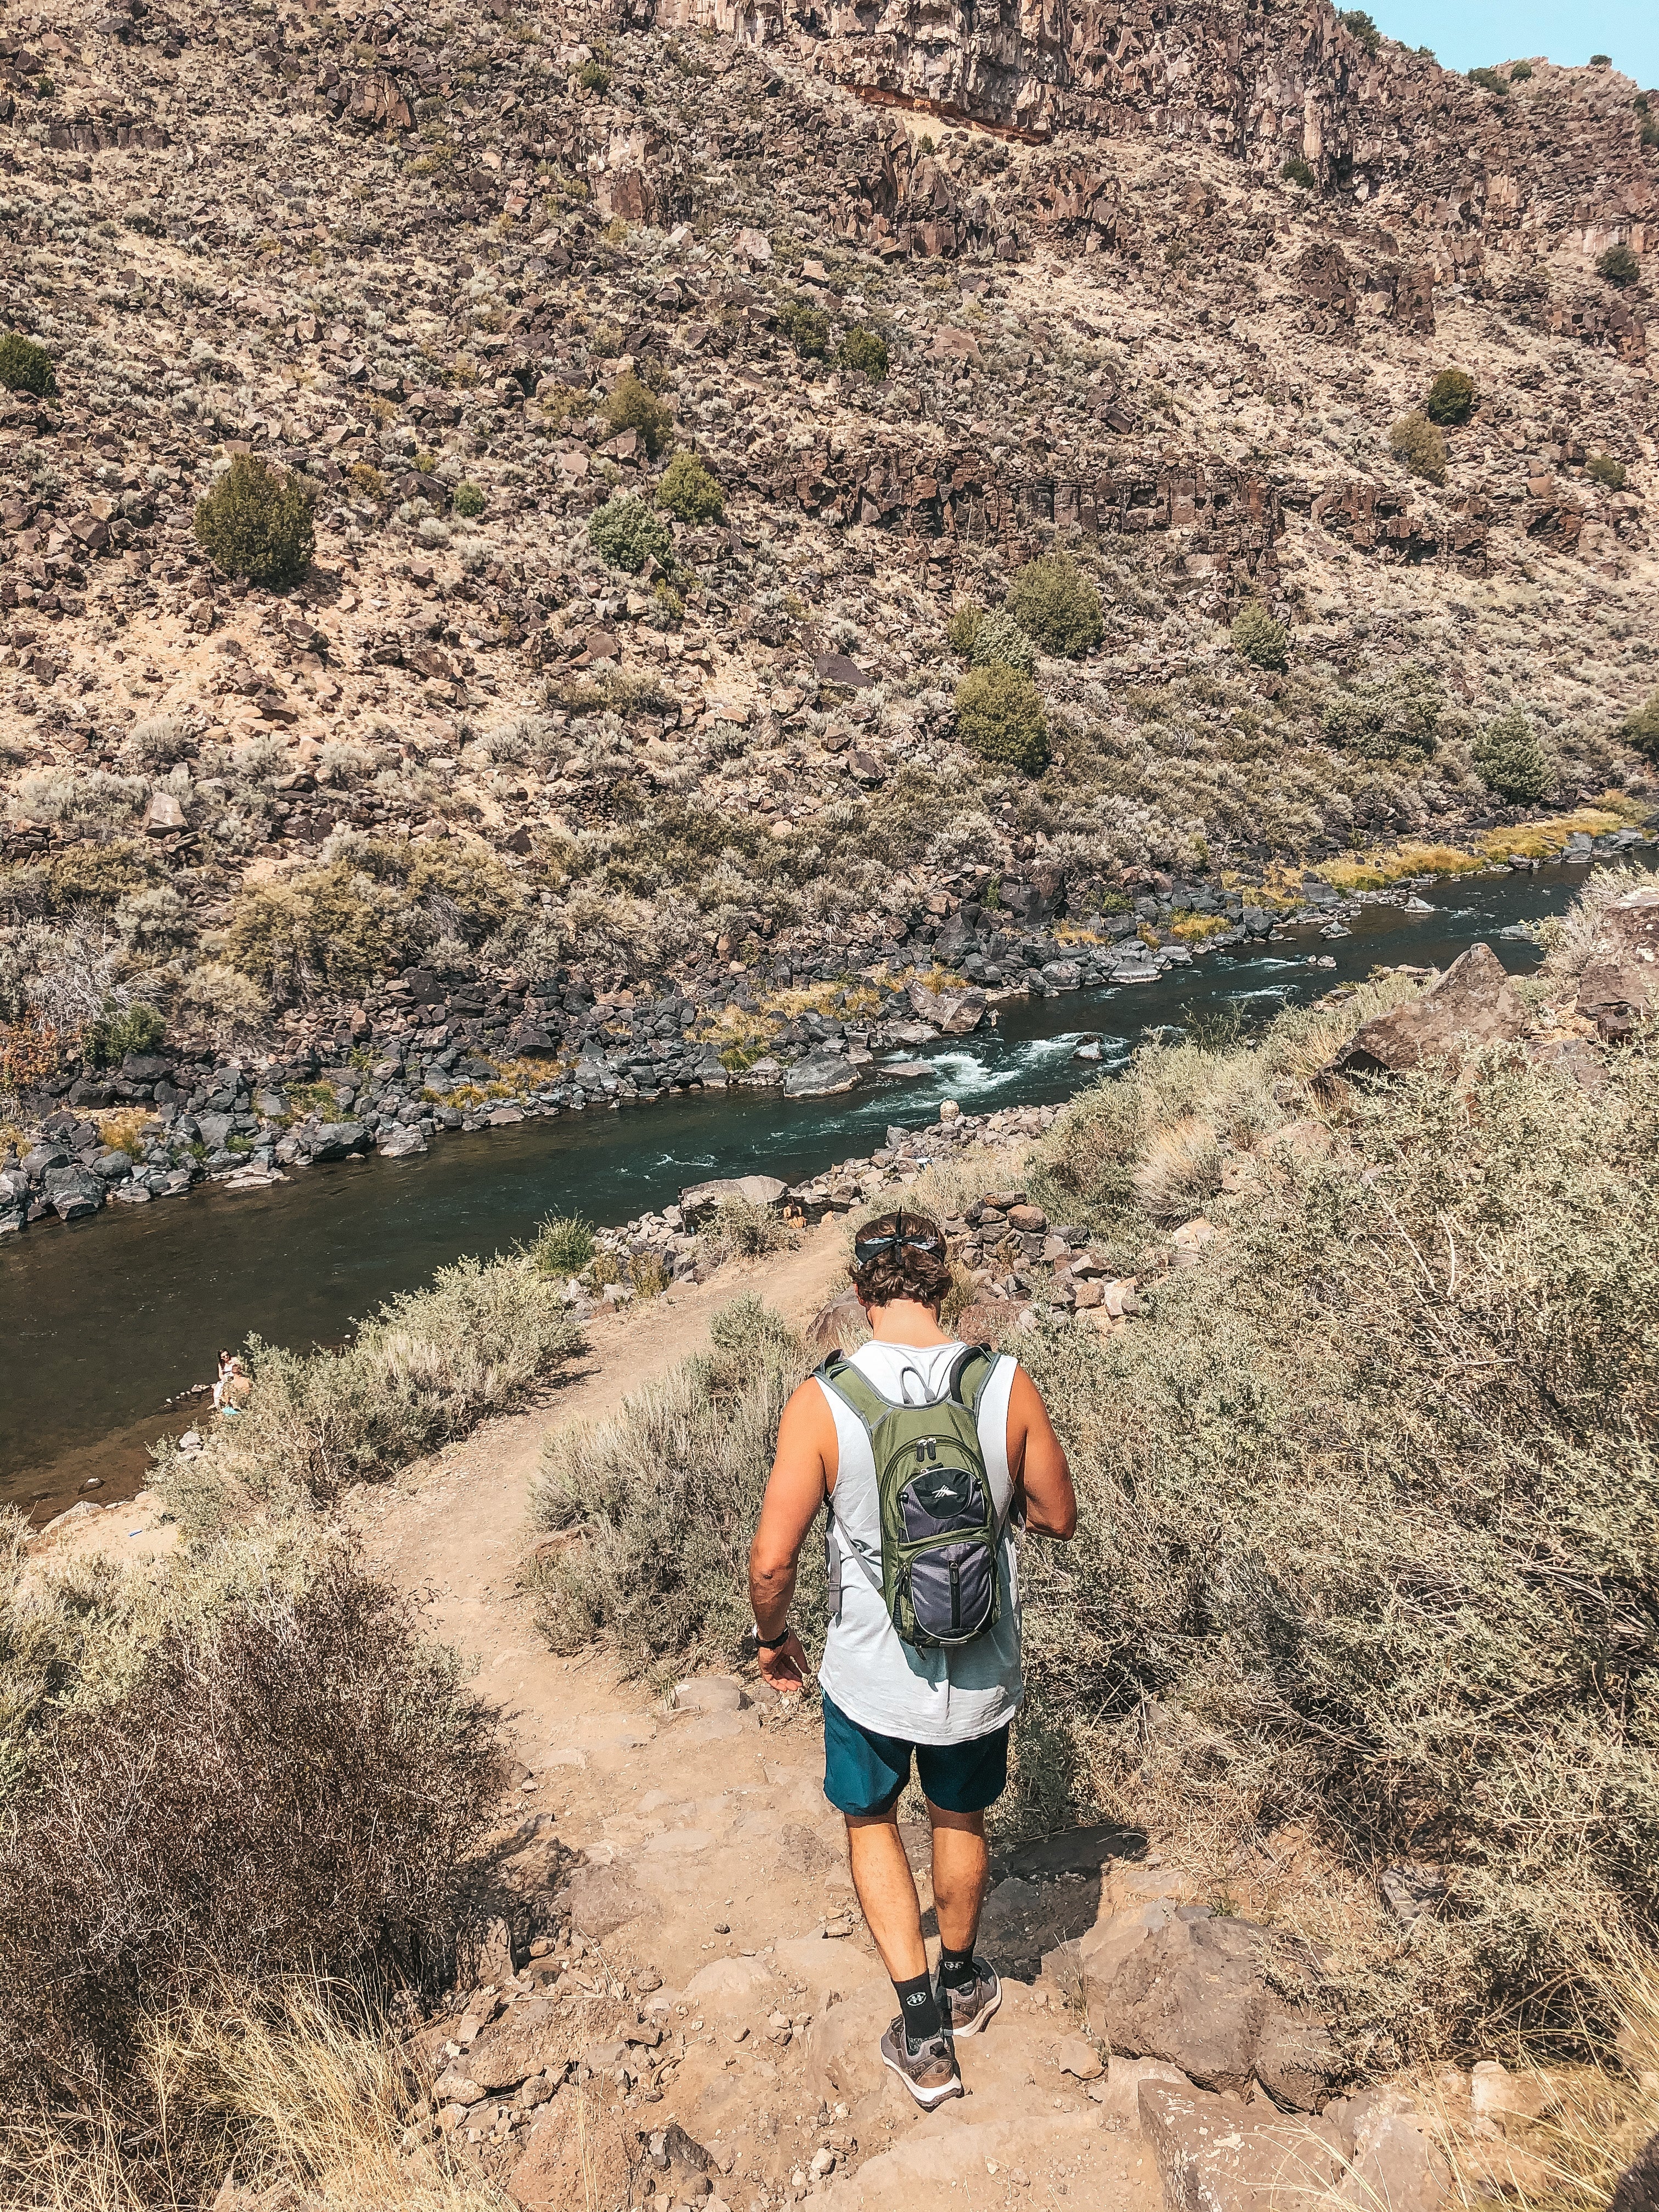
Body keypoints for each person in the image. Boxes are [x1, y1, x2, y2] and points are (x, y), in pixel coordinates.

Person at [748, 1210, 1076, 2109]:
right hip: (980, 1661)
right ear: (947, 1282)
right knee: (960, 1816)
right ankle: (965, 1982)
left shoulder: (824, 1399)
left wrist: (774, 1643)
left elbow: (771, 1561)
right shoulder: (1006, 1382)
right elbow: (1056, 1516)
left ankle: (925, 2037)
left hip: (870, 1672)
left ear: (861, 1294)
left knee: (872, 1823)